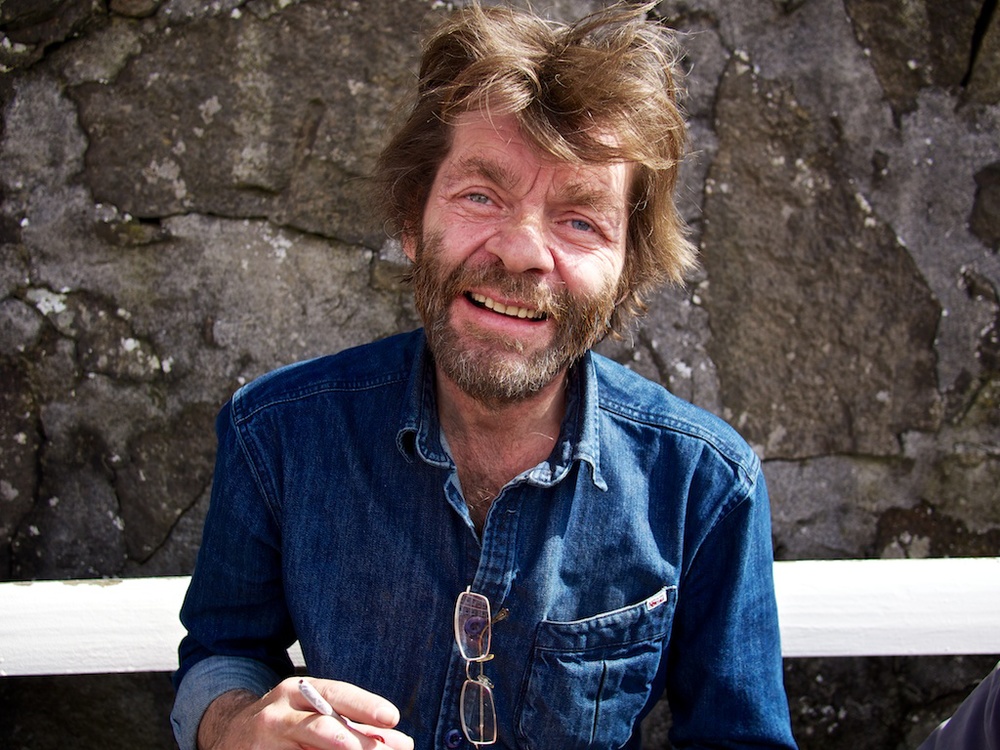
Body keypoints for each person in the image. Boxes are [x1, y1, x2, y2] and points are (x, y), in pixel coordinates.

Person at [170, 3, 797, 749]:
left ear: (628, 270)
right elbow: (221, 654)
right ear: (413, 220)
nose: (522, 251)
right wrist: (236, 727)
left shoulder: (705, 484)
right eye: (481, 195)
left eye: (580, 219)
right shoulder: (274, 433)